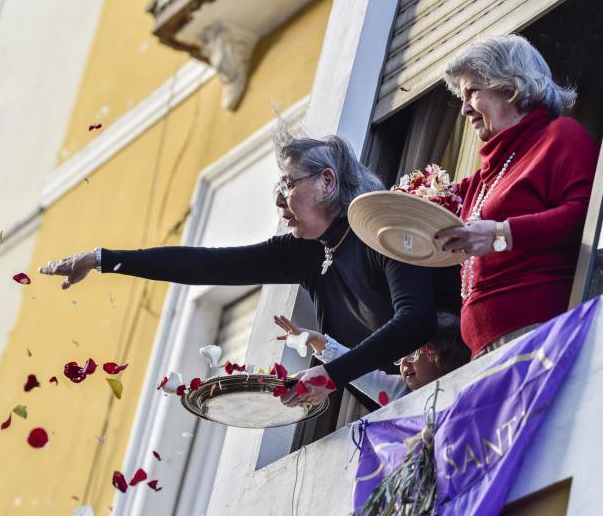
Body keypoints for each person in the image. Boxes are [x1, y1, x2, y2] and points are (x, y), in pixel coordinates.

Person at [40, 126, 462, 406]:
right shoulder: (302, 253)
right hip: (405, 409)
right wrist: (103, 260)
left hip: (463, 383)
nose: (279, 200)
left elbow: (415, 319)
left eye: (287, 184)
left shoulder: (380, 229)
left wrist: (330, 375)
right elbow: (206, 267)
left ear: (327, 183)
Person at [435, 34, 599, 359]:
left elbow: (587, 215)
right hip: (482, 351)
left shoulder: (559, 136)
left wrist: (500, 234)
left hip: (538, 337)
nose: (465, 108)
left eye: (473, 92)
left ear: (510, 86)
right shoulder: (482, 178)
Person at [273, 314, 469, 402]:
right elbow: (361, 374)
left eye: (411, 353)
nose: (404, 364)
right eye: (399, 358)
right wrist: (316, 339)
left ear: (443, 354)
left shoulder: (471, 384)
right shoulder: (400, 394)